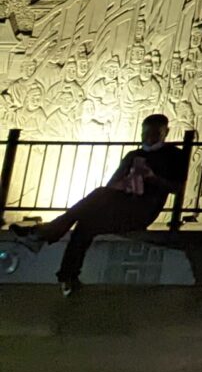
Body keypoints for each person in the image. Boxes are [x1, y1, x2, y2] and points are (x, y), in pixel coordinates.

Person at [8, 113, 188, 292]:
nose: (148, 138)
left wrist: (152, 178)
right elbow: (112, 185)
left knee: (95, 201)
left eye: (154, 134)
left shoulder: (174, 156)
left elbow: (177, 187)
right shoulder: (134, 155)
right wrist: (125, 183)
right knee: (86, 223)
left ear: (166, 132)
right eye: (145, 134)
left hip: (143, 210)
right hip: (121, 205)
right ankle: (67, 276)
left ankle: (46, 234)